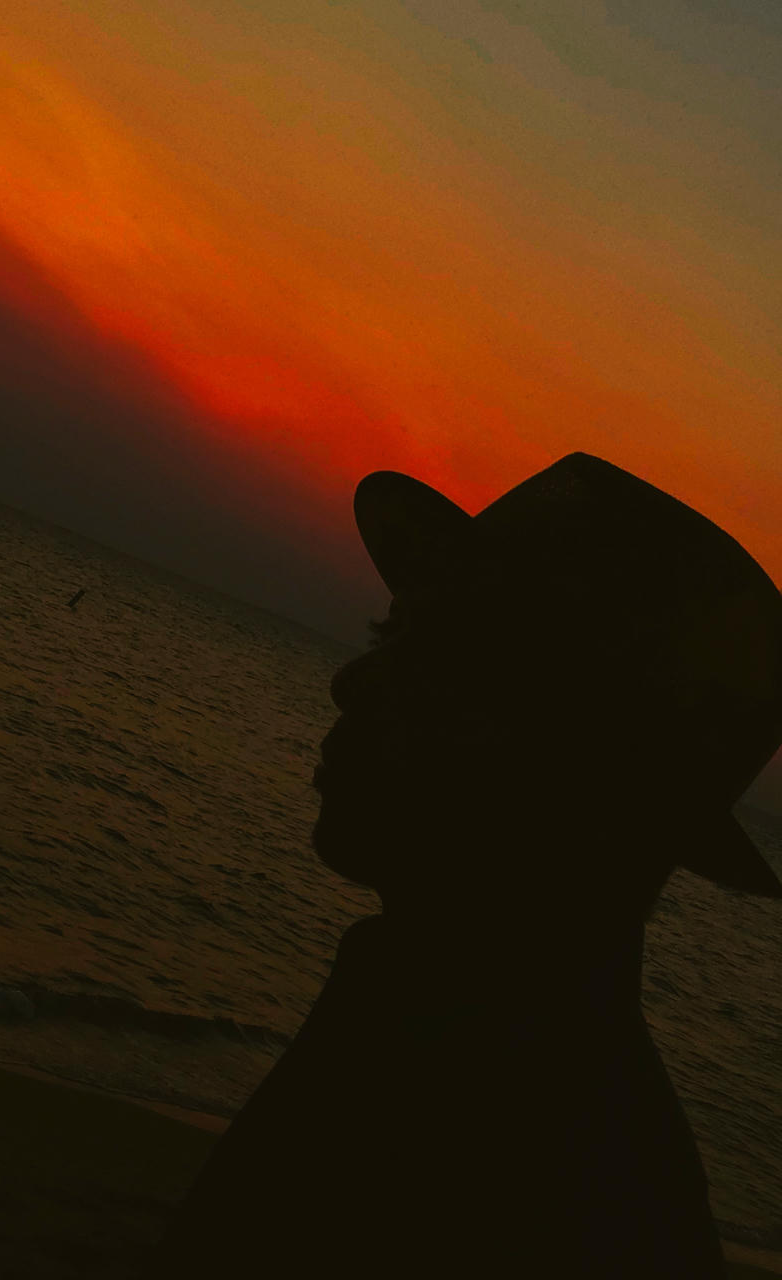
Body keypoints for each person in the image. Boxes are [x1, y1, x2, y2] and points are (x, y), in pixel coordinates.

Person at [155, 453, 782, 1278]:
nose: (352, 680)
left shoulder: (515, 1143)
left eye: (435, 655)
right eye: (388, 634)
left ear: (566, 766)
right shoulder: (456, 1029)